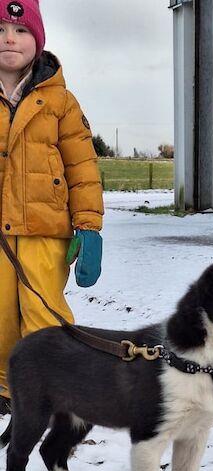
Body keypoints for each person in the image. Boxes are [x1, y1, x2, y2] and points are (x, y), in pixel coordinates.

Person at [0, 0, 104, 416]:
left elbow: (82, 165)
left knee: (42, 310)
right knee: (2, 314)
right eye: (1, 30)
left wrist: (89, 226)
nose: (10, 38)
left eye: (21, 30)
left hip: (46, 228)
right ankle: (9, 389)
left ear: (38, 40)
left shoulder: (60, 100)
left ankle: (56, 387)